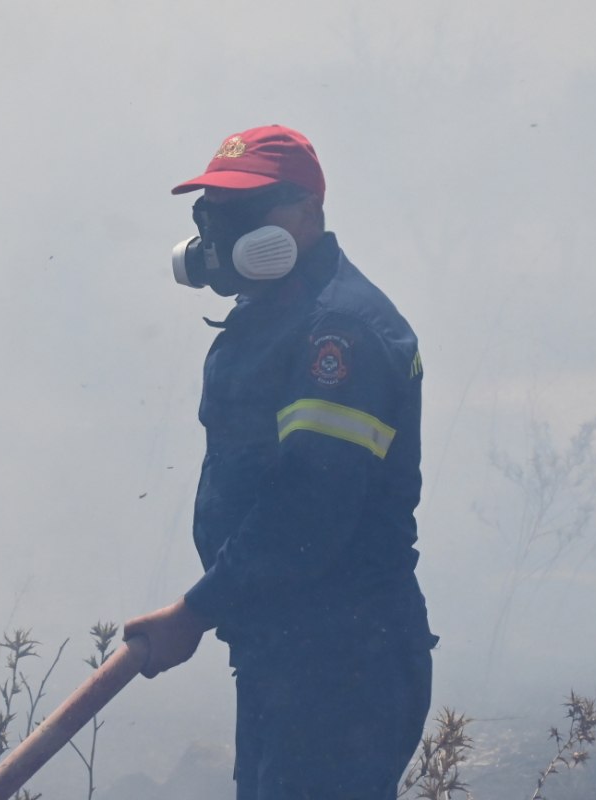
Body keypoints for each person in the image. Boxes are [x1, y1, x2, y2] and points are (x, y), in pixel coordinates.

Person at [123, 125, 438, 800]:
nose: (218, 232)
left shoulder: (342, 333)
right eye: (211, 212)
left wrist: (194, 611)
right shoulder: (271, 316)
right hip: (286, 656)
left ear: (308, 216)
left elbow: (309, 510)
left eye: (243, 211)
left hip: (346, 667)